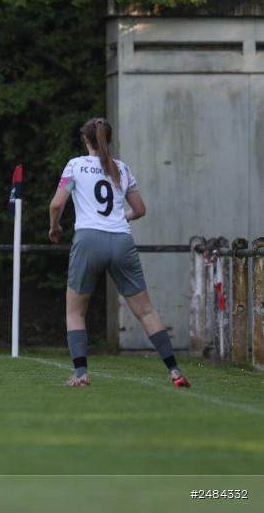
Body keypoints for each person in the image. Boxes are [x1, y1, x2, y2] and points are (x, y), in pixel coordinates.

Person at [48, 118, 191, 388]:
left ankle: (81, 374)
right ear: (108, 140)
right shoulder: (122, 169)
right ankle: (174, 371)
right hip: (121, 241)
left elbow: (57, 204)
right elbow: (140, 210)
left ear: (86, 140)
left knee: (75, 312)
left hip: (89, 240)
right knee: (146, 311)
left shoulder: (75, 165)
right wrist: (120, 218)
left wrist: (54, 227)